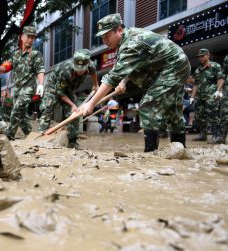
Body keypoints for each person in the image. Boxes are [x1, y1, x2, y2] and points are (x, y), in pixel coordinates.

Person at [79, 14, 190, 152]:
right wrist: (124, 82)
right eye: (102, 38)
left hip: (172, 66)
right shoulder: (126, 40)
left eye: (107, 36)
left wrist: (91, 103)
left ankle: (150, 154)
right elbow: (134, 65)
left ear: (119, 30)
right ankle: (180, 150)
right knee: (173, 109)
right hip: (173, 64)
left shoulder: (131, 43)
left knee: (147, 106)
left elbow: (112, 77)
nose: (105, 41)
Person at [0, 26, 45, 140]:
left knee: (16, 111)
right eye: (28, 37)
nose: (30, 40)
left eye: (33, 38)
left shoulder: (35, 54)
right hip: (17, 90)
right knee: (21, 117)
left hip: (28, 89)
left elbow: (40, 70)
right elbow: (6, 67)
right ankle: (32, 137)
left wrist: (40, 84)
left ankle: (8, 137)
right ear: (22, 37)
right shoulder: (16, 54)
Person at [37, 49, 99, 148]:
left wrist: (96, 85)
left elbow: (93, 72)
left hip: (69, 89)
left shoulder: (90, 65)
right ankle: (40, 135)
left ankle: (72, 141)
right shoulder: (65, 70)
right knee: (47, 107)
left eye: (82, 70)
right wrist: (73, 104)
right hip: (53, 87)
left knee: (74, 115)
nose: (79, 72)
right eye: (77, 69)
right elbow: (60, 92)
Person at [190, 49, 225, 143]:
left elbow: (221, 78)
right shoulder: (198, 70)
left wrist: (218, 91)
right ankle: (202, 134)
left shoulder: (215, 66)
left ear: (208, 55)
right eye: (199, 57)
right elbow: (196, 84)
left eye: (202, 56)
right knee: (199, 116)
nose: (200, 58)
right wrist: (192, 96)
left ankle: (218, 136)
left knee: (212, 115)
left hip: (211, 95)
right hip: (200, 96)